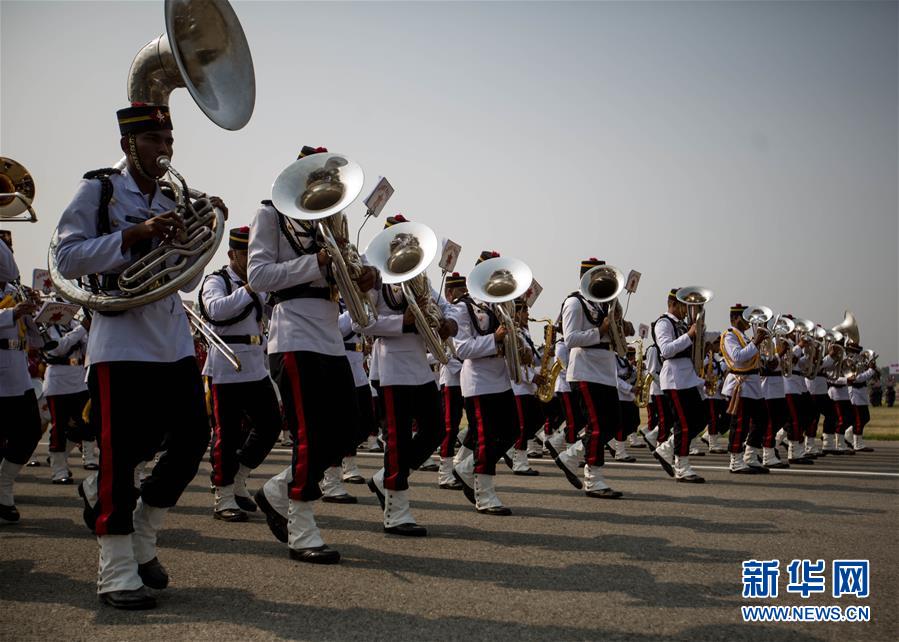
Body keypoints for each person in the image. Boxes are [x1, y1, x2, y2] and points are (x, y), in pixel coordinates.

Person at [55, 103, 226, 609]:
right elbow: (66, 257)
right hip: (120, 341)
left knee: (194, 437)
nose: (165, 150)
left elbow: (187, 280)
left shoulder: (174, 197)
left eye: (169, 141)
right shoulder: (99, 189)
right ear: (130, 144)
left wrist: (202, 234)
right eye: (155, 141)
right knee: (121, 455)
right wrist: (135, 234)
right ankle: (115, 569)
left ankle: (145, 534)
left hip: (170, 340)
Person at [249, 146, 376, 563]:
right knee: (312, 434)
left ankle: (279, 487)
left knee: (349, 429)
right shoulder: (271, 215)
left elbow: (351, 289)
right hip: (292, 334)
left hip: (327, 338)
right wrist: (314, 262)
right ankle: (301, 525)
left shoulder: (333, 222)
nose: (325, 188)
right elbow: (259, 275)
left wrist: (366, 280)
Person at [362, 214, 457, 535]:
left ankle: (386, 477)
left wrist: (449, 323)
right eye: (398, 242)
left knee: (435, 431)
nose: (405, 248)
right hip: (390, 367)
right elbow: (364, 322)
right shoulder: (375, 279)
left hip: (419, 366)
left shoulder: (421, 278)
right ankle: (396, 510)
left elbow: (448, 307)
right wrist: (401, 323)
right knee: (398, 440)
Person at [199, 226, 282, 522]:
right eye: (246, 254)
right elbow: (215, 310)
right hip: (225, 365)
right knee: (227, 433)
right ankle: (222, 496)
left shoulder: (257, 282)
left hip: (254, 365)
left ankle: (239, 477)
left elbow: (270, 315)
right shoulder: (216, 280)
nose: (250, 259)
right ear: (232, 254)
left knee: (271, 424)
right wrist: (249, 289)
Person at [547, 258, 631, 498]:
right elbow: (570, 338)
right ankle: (594, 479)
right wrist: (601, 331)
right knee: (596, 426)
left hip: (605, 369)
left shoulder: (607, 304)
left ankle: (570, 456)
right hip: (584, 369)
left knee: (613, 424)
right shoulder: (574, 302)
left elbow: (613, 337)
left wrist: (621, 328)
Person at [451, 251, 521, 514]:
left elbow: (510, 337)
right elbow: (462, 349)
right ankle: (484, 494)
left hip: (501, 380)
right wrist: (495, 338)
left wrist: (520, 347)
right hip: (479, 383)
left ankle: (467, 467)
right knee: (487, 439)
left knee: (512, 430)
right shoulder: (463, 307)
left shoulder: (502, 307)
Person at [0, 233, 43, 525]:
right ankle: (3, 498)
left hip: (16, 371)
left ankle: (3, 483)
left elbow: (37, 341)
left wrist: (37, 313)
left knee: (29, 431)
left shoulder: (15, 291)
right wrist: (12, 313)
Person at [649, 288, 707, 482]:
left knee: (700, 418)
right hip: (674, 378)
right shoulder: (663, 323)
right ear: (672, 304)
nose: (686, 310)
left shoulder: (682, 324)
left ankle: (666, 449)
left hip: (688, 377)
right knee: (683, 424)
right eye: (683, 305)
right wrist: (689, 335)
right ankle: (681, 466)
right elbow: (666, 350)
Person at [42, 314, 96, 483]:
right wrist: (82, 329)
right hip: (58, 382)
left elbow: (88, 351)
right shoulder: (47, 327)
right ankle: (59, 471)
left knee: (86, 425)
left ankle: (61, 456)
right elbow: (57, 349)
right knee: (59, 427)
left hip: (79, 381)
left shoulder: (75, 325)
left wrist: (91, 331)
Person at [719, 304, 770, 474]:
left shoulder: (746, 337)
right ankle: (735, 460)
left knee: (761, 419)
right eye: (744, 317)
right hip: (740, 385)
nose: (748, 322)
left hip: (753, 385)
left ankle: (751, 455)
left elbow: (754, 357)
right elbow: (737, 357)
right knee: (740, 423)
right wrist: (756, 341)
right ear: (735, 318)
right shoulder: (730, 335)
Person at [436, 273, 467, 490]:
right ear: (449, 293)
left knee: (472, 424)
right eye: (459, 291)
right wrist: (465, 367)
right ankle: (445, 473)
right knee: (451, 426)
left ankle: (460, 463)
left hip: (466, 378)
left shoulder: (463, 313)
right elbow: (444, 353)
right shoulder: (445, 315)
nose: (463, 294)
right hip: (452, 379)